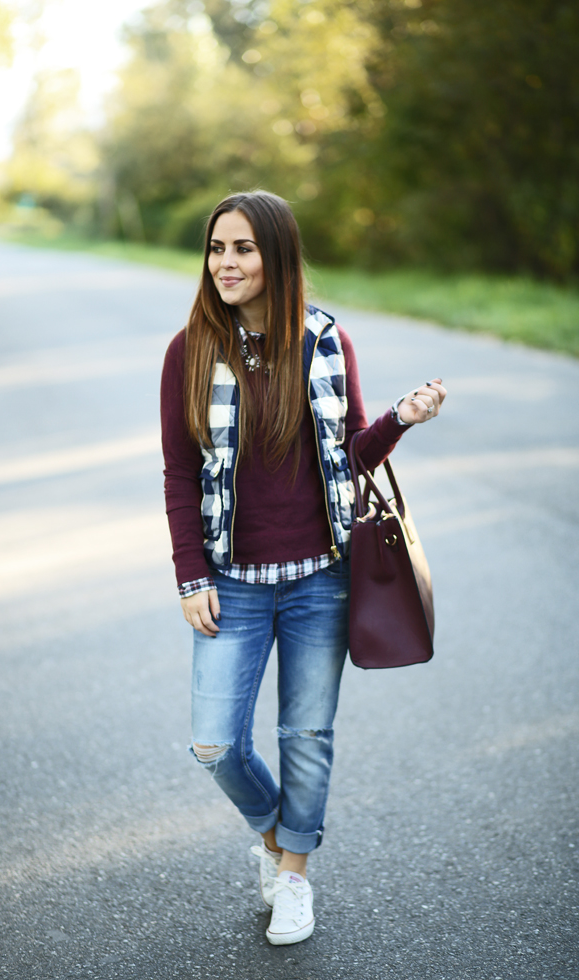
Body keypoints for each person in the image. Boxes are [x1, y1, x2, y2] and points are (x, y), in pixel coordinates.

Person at [160, 190, 446, 946]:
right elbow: (177, 474)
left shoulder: (325, 340)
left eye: (244, 248)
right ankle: (274, 837)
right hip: (231, 582)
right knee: (215, 744)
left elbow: (348, 454)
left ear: (276, 255)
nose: (226, 262)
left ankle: (294, 878)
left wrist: (399, 422)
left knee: (306, 735)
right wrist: (191, 577)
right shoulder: (189, 350)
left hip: (321, 577)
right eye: (218, 248)